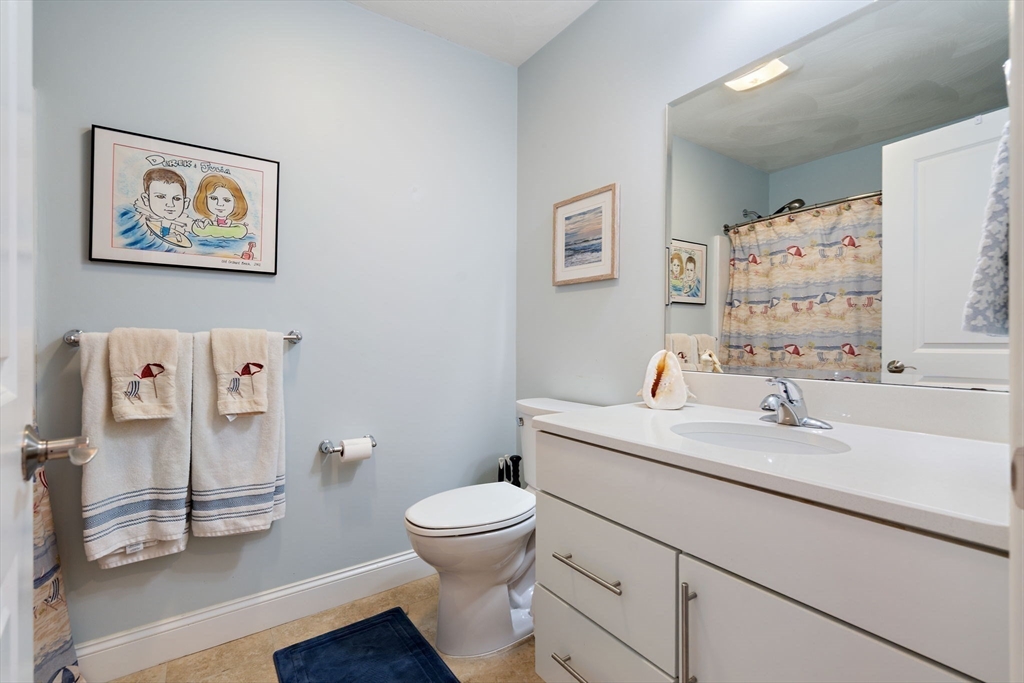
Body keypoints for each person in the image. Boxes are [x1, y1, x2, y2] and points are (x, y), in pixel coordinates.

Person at [131, 168, 193, 248]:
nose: (170, 205)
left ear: (185, 203)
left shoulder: (185, 226)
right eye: (160, 197)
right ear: (146, 199)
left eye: (176, 199)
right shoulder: (139, 224)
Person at [191, 173, 249, 239]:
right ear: (204, 199)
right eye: (213, 198)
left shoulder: (229, 221)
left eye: (226, 200)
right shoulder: (211, 219)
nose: (219, 204)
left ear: (236, 202)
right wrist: (206, 222)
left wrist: (225, 227)